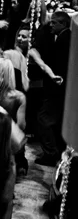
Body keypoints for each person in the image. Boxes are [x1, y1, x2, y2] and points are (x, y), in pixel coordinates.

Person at [30, 11, 71, 166]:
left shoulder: (64, 40)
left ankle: (50, 154)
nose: (51, 25)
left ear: (63, 24)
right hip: (59, 87)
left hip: (57, 87)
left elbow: (58, 63)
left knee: (44, 119)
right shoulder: (64, 37)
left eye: (54, 22)